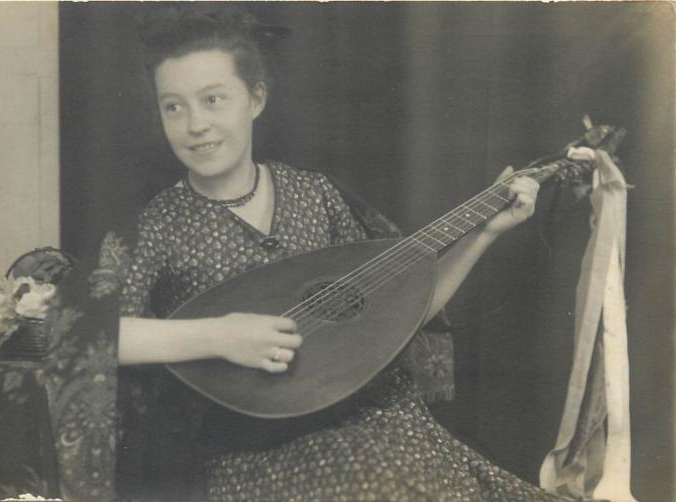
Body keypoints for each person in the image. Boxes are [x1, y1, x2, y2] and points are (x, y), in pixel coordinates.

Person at [115, 8, 561, 502]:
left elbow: (396, 309)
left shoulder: (316, 194)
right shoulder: (157, 223)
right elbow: (97, 338)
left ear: (256, 98)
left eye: (213, 100)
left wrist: (483, 234)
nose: (196, 124)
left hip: (376, 420)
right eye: (173, 107)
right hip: (259, 447)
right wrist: (219, 335)